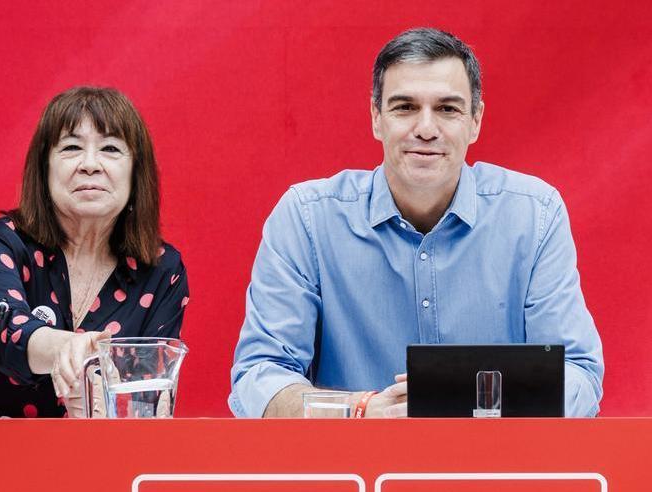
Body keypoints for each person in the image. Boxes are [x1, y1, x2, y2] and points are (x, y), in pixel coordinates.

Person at [230, 27, 603, 418]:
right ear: (377, 118)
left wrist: (468, 397)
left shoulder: (535, 214)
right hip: (356, 469)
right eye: (405, 107)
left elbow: (578, 375)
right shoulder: (306, 218)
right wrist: (360, 412)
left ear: (475, 120)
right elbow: (259, 378)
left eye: (448, 109)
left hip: (496, 467)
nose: (426, 129)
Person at [0, 86, 189, 417]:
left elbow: (151, 405)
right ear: (44, 169)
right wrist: (68, 351)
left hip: (111, 461)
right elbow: (6, 336)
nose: (90, 164)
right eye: (71, 148)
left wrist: (104, 405)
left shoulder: (162, 271)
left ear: (136, 172)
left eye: (110, 148)